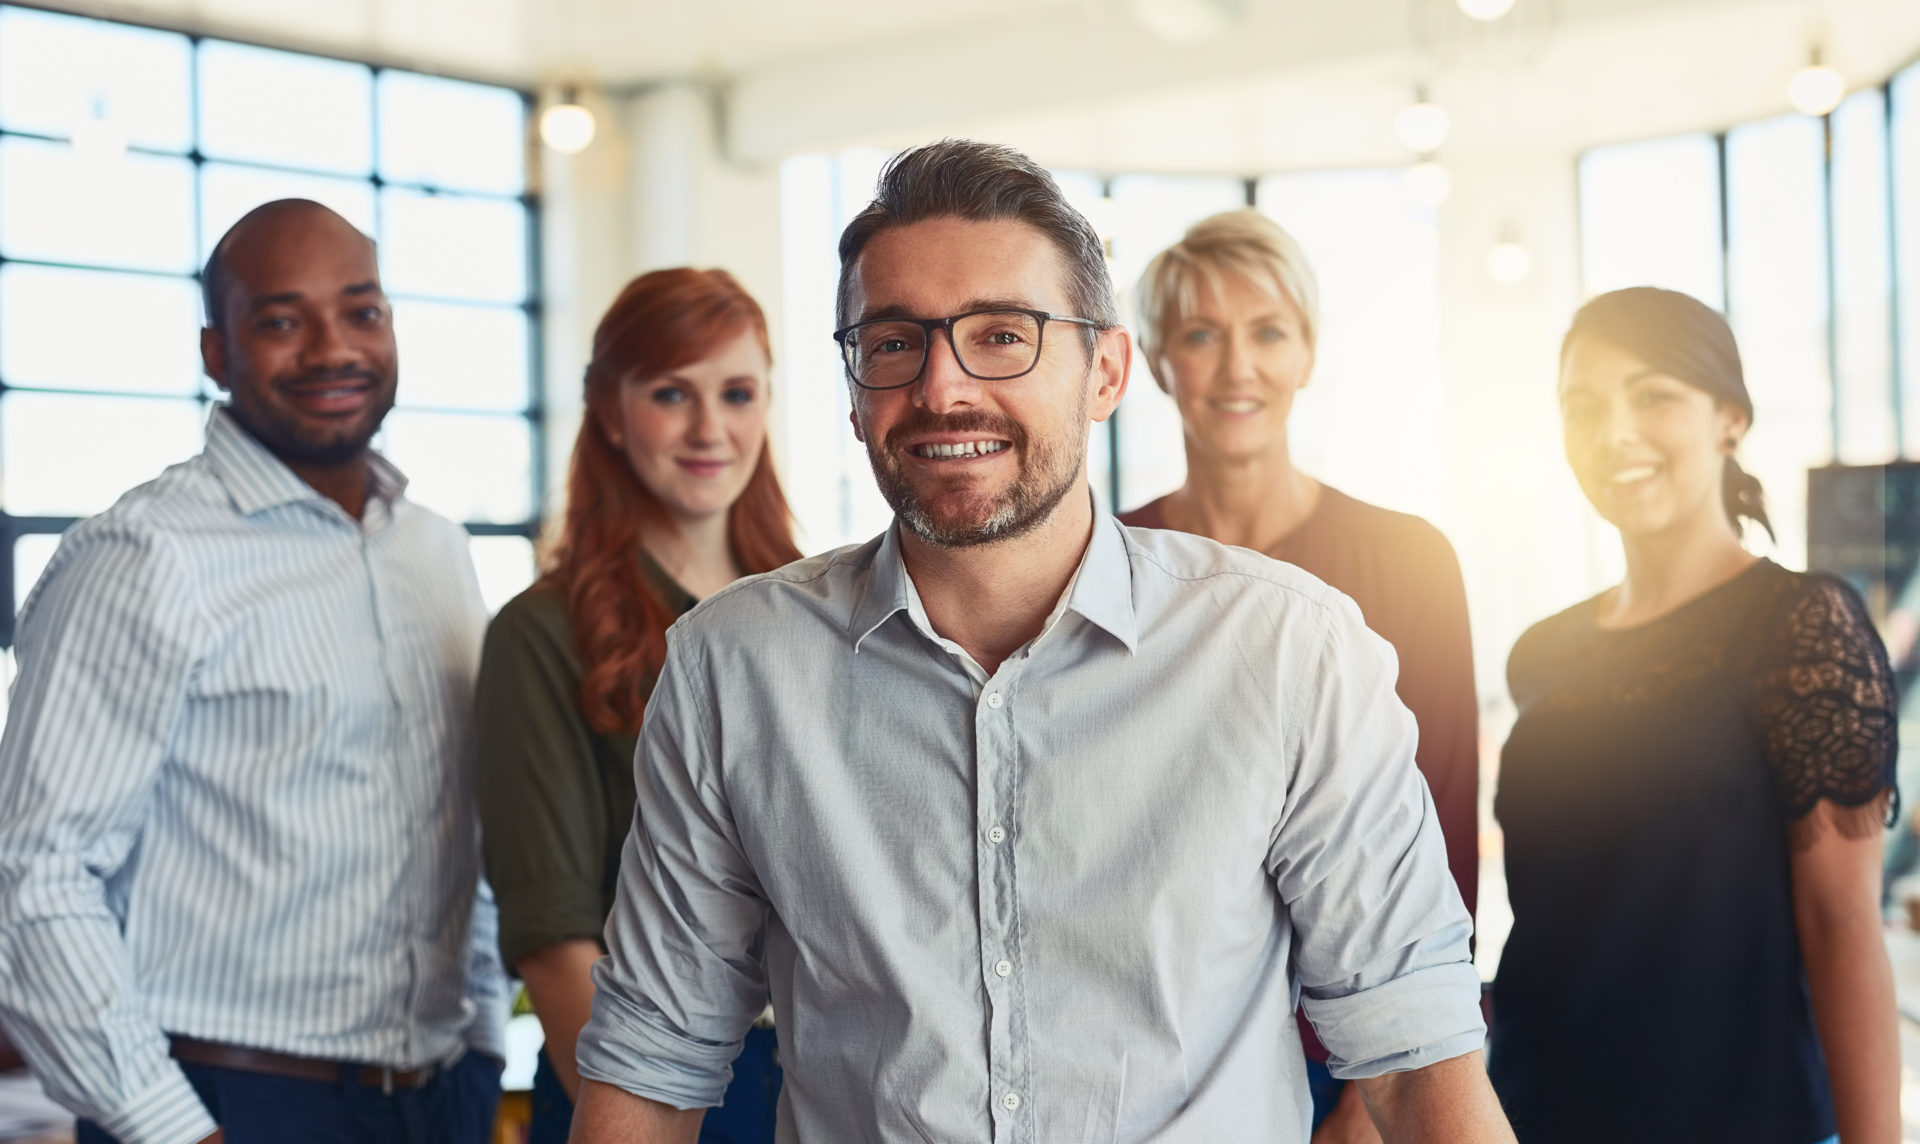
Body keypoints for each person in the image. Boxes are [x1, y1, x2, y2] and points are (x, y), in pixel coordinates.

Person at [566, 139, 1514, 1142]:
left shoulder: (1290, 649)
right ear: (853, 389)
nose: (942, 388)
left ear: (1105, 371)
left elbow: (1419, 1058)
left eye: (1002, 335)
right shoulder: (731, 667)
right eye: (894, 343)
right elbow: (651, 1061)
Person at [0, 200, 508, 1144]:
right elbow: (34, 871)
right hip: (230, 1100)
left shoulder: (437, 550)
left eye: (361, 311)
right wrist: (169, 1127)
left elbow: (455, 819)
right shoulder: (144, 555)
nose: (332, 349)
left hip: (439, 1095)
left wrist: (481, 1039)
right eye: (281, 321)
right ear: (216, 352)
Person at [1490, 287, 1900, 1143]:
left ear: (1729, 419)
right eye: (1585, 407)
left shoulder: (1803, 626)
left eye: (1653, 396)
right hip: (1532, 1116)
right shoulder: (1543, 652)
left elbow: (1841, 924)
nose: (1615, 433)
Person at [1118, 209, 1479, 1142]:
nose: (1238, 367)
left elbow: (1442, 835)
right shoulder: (1109, 569)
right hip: (1167, 1069)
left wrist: (1369, 1101)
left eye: (1269, 333)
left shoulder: (1411, 561)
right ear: (1155, 361)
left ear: (1308, 353)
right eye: (1202, 336)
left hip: (1359, 1064)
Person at [476, 268, 800, 1144]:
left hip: (823, 1075)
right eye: (670, 393)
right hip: (654, 1086)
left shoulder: (816, 612)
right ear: (610, 412)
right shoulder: (540, 634)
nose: (709, 428)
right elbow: (555, 943)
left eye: (737, 394)